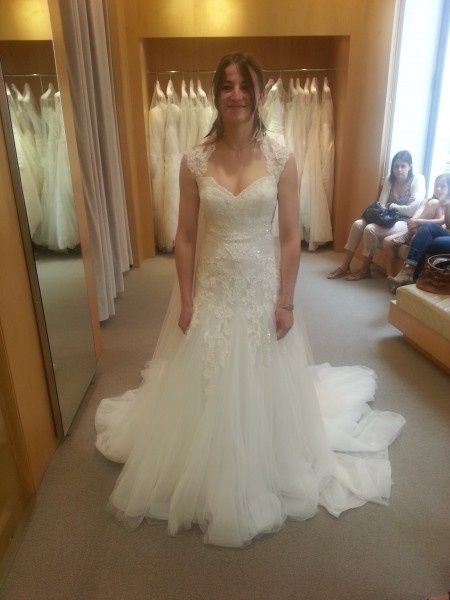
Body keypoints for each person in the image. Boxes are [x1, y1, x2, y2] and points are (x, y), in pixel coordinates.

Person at [95, 52, 405, 548]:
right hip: (214, 285)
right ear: (216, 95)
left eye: (245, 86)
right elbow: (186, 237)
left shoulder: (281, 158)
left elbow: (289, 237)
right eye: (226, 86)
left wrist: (286, 301)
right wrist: (187, 300)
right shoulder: (194, 160)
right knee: (207, 373)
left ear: (261, 95)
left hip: (261, 286)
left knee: (262, 375)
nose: (236, 95)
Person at [327, 151, 426, 281]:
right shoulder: (390, 179)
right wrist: (399, 207)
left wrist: (393, 206)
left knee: (370, 229)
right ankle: (345, 266)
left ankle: (365, 269)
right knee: (357, 224)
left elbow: (412, 211)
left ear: (410, 166)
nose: (399, 170)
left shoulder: (417, 179)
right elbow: (381, 204)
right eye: (396, 166)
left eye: (403, 166)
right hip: (387, 218)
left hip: (404, 222)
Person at [388, 173, 450, 291]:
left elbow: (447, 223)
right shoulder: (433, 200)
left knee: (428, 239)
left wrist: (447, 205)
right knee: (426, 230)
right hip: (443, 233)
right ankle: (409, 272)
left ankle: (410, 276)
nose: (438, 189)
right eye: (436, 186)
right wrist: (415, 222)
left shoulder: (445, 202)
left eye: (442, 186)